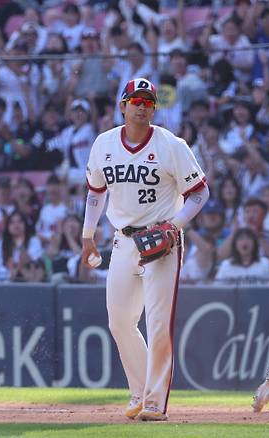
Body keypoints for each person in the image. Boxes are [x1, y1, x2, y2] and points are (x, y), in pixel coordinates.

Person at [80, 78, 208, 422]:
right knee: (120, 321)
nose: (142, 106)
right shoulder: (104, 144)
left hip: (161, 242)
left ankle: (154, 402)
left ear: (154, 108)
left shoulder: (172, 145)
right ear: (122, 106)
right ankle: (139, 391)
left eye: (148, 101)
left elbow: (199, 193)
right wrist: (87, 235)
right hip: (123, 241)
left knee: (158, 323)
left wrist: (175, 226)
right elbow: (95, 191)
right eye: (135, 100)